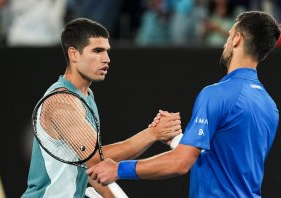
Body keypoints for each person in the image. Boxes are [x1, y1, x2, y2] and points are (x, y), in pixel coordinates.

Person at [87, 11, 281, 197]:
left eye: (229, 36)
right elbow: (224, 164)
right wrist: (176, 140)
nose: (226, 43)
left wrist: (119, 169)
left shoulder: (216, 94)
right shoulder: (270, 106)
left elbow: (180, 163)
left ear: (237, 38)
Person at [22, 18, 182, 198]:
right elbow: (96, 158)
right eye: (97, 51)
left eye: (106, 51)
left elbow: (92, 169)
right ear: (74, 54)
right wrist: (153, 133)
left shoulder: (86, 95)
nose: (106, 59)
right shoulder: (61, 102)